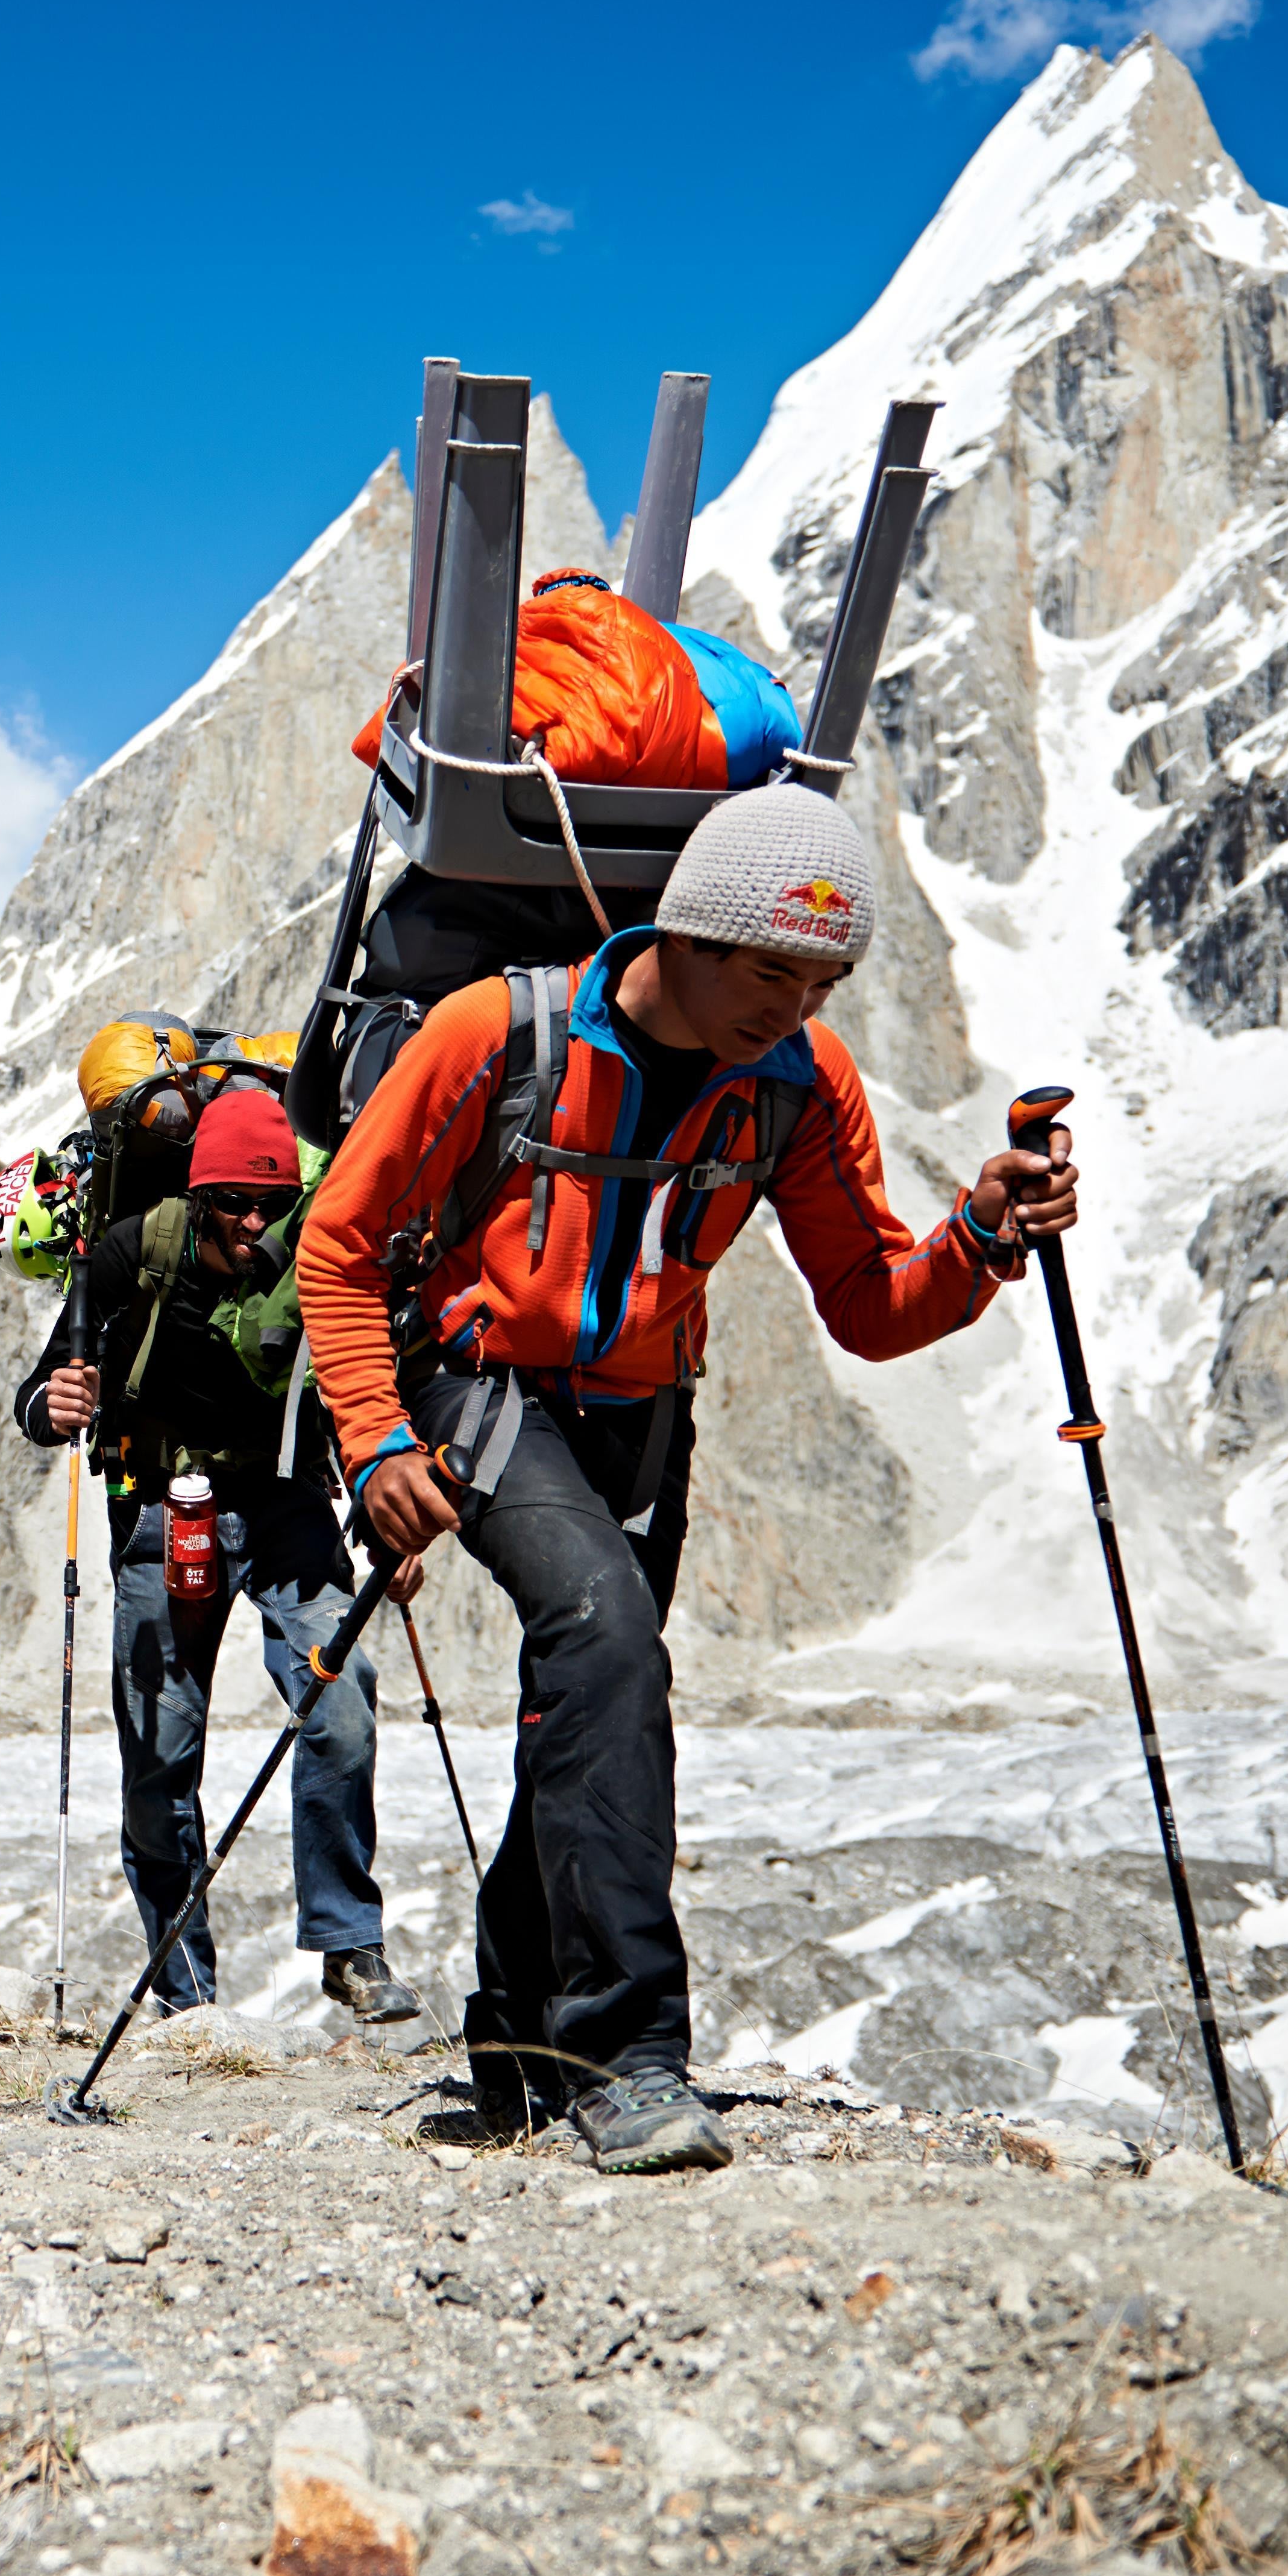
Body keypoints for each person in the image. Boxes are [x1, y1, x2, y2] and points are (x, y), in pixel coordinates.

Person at [294, 783, 1077, 2173]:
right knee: (604, 1643)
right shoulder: (497, 1032)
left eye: (822, 977)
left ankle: (519, 2044)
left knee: (587, 1698)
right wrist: (372, 1434)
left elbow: (868, 1303)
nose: (793, 1003)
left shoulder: (797, 1083)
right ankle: (627, 2056)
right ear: (688, 929)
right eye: (770, 968)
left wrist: (980, 1234)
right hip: (481, 1390)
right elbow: (340, 1244)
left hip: (646, 1417)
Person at [13, 1082, 423, 2027]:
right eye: (232, 1202)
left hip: (284, 1500)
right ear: (196, 1197)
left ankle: (349, 1947)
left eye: (270, 1203)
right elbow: (42, 1391)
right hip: (160, 1507)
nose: (251, 1222)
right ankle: (186, 1992)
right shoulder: (133, 1254)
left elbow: (357, 1388)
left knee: (342, 1698)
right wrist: (54, 1408)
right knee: (160, 1757)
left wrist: (383, 1511)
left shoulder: (310, 1262)